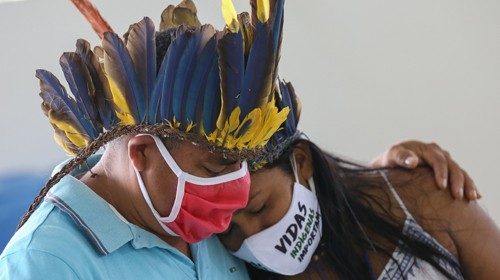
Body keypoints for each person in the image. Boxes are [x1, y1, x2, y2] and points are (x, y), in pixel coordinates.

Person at [0, 1, 484, 280]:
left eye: (241, 170)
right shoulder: (42, 264)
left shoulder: (197, 223)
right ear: (144, 153)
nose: (232, 202)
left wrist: (388, 182)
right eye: (215, 168)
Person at [218, 69, 500, 279]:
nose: (252, 235)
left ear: (301, 162)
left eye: (258, 207)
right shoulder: (227, 269)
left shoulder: (420, 193)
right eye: (228, 229)